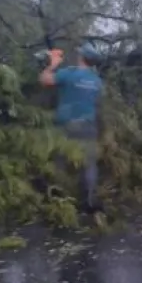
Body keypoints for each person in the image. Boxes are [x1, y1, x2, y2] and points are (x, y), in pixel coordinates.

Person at [39, 43, 104, 212]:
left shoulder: (69, 74)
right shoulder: (97, 81)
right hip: (88, 125)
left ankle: (58, 198)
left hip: (66, 124)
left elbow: (45, 80)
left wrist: (52, 64)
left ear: (81, 57)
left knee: (60, 161)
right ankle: (89, 200)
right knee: (89, 163)